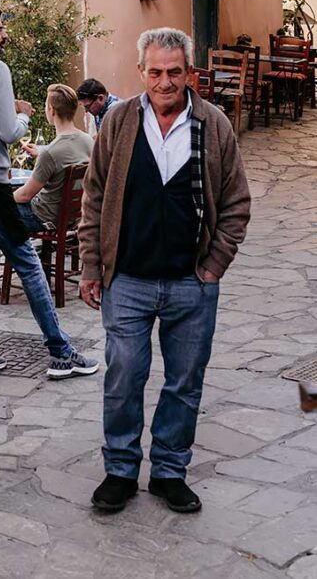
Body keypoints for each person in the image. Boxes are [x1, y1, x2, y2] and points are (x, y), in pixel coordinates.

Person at [79, 28, 252, 516]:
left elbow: (237, 202)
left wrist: (214, 265)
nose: (165, 81)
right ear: (142, 72)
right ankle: (119, 471)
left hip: (190, 283)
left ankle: (170, 473)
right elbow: (94, 197)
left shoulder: (212, 124)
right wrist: (93, 263)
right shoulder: (118, 121)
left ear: (189, 72)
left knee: (184, 382)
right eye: (155, 71)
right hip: (128, 280)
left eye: (175, 71)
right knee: (124, 376)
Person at [0, 8, 99, 381]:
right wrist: (23, 115)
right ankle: (61, 353)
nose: (3, 34)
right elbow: (10, 133)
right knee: (28, 264)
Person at [13, 84, 94, 232]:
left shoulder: (50, 153)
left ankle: (23, 255)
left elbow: (25, 195)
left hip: (45, 218)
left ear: (51, 110)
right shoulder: (88, 141)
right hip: (75, 216)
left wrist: (4, 199)